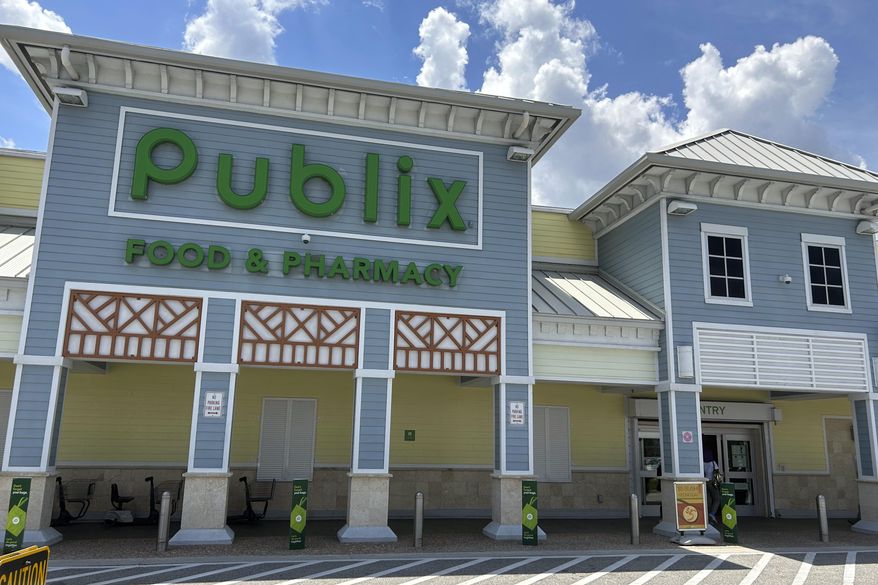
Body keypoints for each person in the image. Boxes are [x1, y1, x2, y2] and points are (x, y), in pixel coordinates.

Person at [703, 448, 721, 525]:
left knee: (708, 499)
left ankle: (707, 515)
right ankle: (712, 514)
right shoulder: (713, 463)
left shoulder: (702, 462)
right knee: (717, 499)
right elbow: (717, 473)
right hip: (712, 482)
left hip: (704, 482)